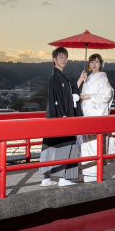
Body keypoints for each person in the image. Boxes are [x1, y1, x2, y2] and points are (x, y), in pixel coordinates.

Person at [40, 46, 82, 186]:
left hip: (54, 116)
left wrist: (80, 80)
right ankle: (64, 178)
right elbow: (56, 98)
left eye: (65, 57)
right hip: (60, 116)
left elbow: (69, 92)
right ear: (54, 59)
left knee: (51, 145)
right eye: (61, 57)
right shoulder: (55, 76)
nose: (64, 59)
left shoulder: (60, 76)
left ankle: (46, 179)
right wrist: (63, 115)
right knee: (67, 144)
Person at [76, 53, 115, 182]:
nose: (94, 64)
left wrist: (90, 96)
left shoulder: (103, 78)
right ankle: (87, 172)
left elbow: (106, 96)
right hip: (86, 113)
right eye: (92, 62)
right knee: (85, 144)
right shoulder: (87, 78)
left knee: (94, 144)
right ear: (89, 64)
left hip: (96, 114)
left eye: (97, 62)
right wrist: (81, 80)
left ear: (101, 64)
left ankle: (94, 173)